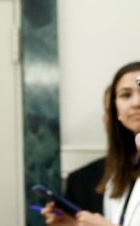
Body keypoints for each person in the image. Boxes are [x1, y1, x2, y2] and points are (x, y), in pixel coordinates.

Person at [43, 61, 140, 225]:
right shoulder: (121, 169)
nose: (136, 103)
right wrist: (75, 224)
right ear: (115, 111)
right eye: (125, 95)